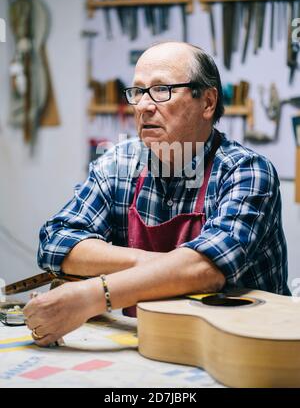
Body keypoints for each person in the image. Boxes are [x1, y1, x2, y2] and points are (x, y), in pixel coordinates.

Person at [24, 42, 289, 346]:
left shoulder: (246, 171)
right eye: (138, 92)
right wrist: (164, 266)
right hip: (152, 340)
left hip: (246, 350)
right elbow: (55, 241)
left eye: (162, 89)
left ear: (207, 102)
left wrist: (92, 296)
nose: (144, 106)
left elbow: (208, 268)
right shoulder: (119, 163)